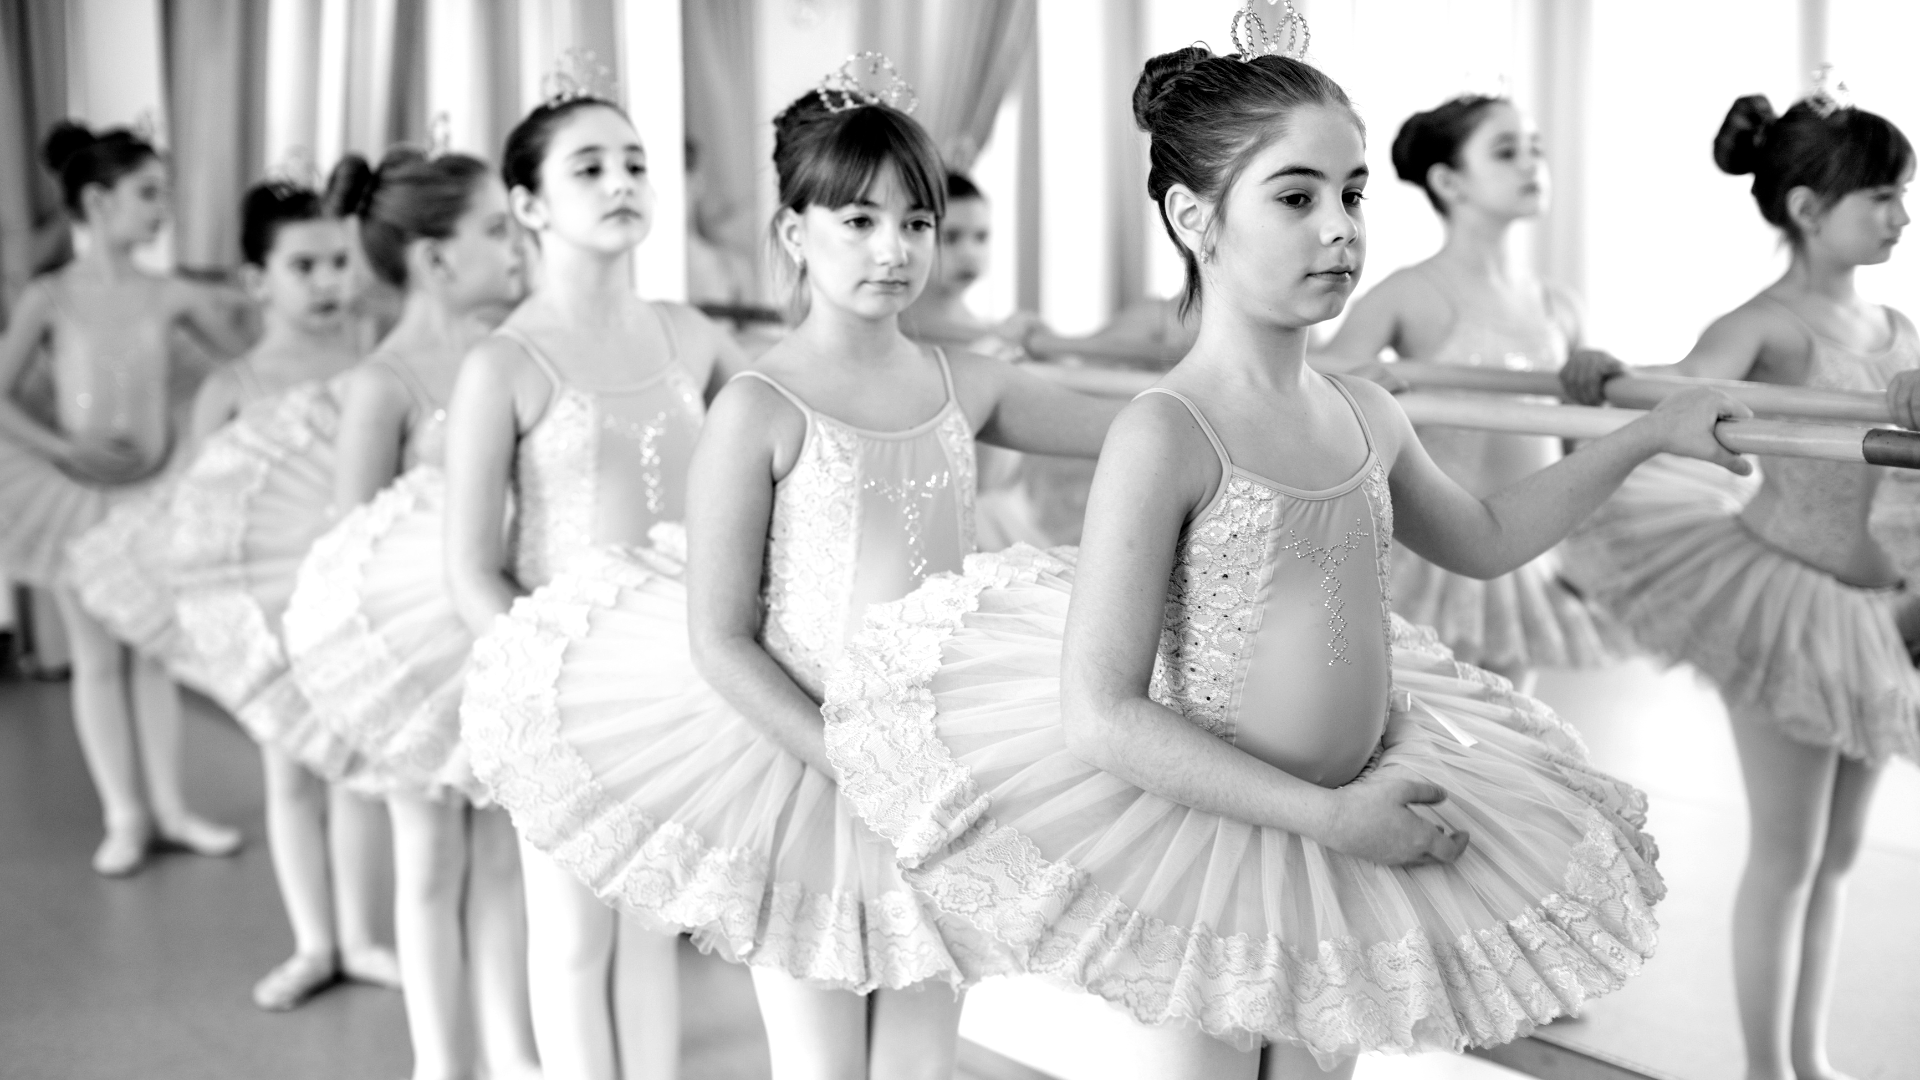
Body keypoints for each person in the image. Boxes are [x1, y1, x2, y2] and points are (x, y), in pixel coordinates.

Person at [821, 37, 1747, 1080]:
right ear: (1194, 218)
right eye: (1297, 199)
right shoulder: (1165, 431)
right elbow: (1101, 712)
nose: (1341, 230)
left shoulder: (1367, 410)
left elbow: (1484, 539)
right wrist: (1327, 816)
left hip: (1345, 837)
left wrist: (1646, 435)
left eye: (1353, 195)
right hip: (1209, 841)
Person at [460, 70, 1122, 1080]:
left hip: (933, 763)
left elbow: (1145, 432)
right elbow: (718, 635)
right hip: (797, 769)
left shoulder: (968, 383)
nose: (893, 250)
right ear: (794, 234)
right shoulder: (760, 403)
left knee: (920, 1058)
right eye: (858, 220)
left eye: (916, 223)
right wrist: (851, 760)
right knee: (815, 1064)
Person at [1560, 90, 1918, 1080]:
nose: (1900, 216)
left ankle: (1811, 1058)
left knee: (1840, 857)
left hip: (1873, 609)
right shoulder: (1767, 322)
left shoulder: (1894, 322)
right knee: (1787, 852)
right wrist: (1610, 371)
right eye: (1881, 196)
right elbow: (1684, 383)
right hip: (1783, 602)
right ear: (1807, 208)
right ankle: (1768, 1069)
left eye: (1904, 195)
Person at [446, 92, 744, 1080]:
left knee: (654, 925)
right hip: (555, 692)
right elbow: (469, 566)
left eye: (634, 162)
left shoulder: (693, 336)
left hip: (677, 682)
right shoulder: (502, 363)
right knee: (572, 938)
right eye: (588, 168)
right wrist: (544, 686)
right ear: (529, 206)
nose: (621, 182)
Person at [280, 149, 538, 1080]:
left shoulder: (513, 352)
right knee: (429, 862)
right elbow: (349, 548)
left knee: (506, 860)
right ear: (434, 260)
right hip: (412, 657)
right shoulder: (383, 384)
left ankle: (514, 1054)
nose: (516, 247)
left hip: (503, 620)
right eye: (494, 231)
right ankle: (441, 1062)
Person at [165, 173, 403, 1012]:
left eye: (339, 261)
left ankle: (365, 937)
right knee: (292, 775)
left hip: (364, 604)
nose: (331, 281)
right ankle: (315, 942)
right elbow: (196, 521)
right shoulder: (232, 387)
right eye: (305, 266)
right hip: (272, 617)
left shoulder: (383, 360)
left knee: (364, 770)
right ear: (256, 280)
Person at [0, 122, 246, 876]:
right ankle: (125, 816)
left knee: (153, 658)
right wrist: (64, 449)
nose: (160, 209)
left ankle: (171, 810)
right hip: (77, 500)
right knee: (98, 659)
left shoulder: (168, 293)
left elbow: (243, 365)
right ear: (98, 201)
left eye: (164, 194)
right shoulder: (51, 296)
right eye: (148, 194)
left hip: (153, 497)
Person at [1316, 94, 1627, 686]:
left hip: (1526, 552)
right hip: (1432, 551)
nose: (1531, 165)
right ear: (1448, 180)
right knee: (1427, 724)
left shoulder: (1558, 307)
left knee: (1513, 725)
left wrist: (1596, 390)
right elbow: (1317, 390)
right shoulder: (1409, 293)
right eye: (1506, 152)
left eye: (1535, 149)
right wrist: (1356, 387)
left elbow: (1572, 449)